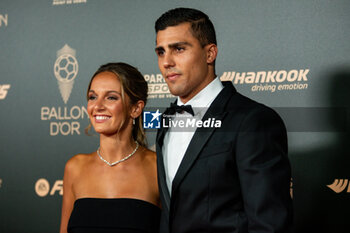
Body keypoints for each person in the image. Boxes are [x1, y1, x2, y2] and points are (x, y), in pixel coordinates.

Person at [154, 8, 293, 233]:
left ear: (210, 54)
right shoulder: (166, 121)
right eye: (161, 52)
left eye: (179, 49)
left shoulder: (253, 121)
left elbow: (269, 224)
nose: (166, 61)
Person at [59, 63, 160, 233]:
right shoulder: (75, 168)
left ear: (135, 108)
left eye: (111, 97)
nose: (97, 106)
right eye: (92, 97)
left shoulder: (157, 167)